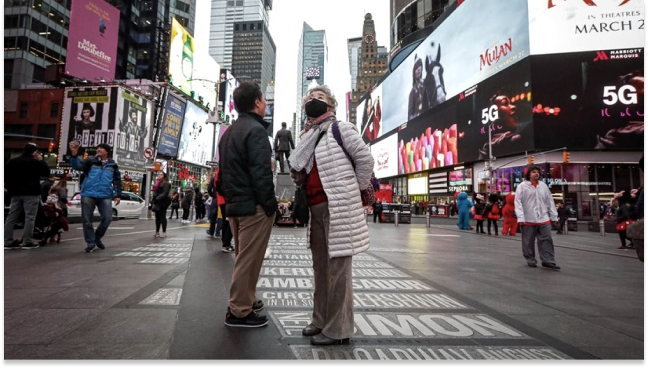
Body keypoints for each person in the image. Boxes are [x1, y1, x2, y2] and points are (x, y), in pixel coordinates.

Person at [289, 85, 374, 345]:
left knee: (339, 271)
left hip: (338, 207)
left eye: (320, 97)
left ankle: (338, 330)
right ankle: (319, 320)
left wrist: (352, 190)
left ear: (331, 106)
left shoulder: (340, 128)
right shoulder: (307, 137)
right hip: (315, 209)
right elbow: (299, 170)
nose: (313, 100)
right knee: (321, 269)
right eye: (310, 98)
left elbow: (366, 161)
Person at [216, 82, 277, 328]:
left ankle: (247, 299)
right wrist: (270, 205)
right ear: (257, 103)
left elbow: (222, 173)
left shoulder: (229, 132)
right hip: (254, 207)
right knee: (248, 260)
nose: (265, 103)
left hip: (235, 206)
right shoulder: (256, 131)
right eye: (263, 99)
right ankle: (238, 311)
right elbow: (261, 172)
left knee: (245, 257)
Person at [68, 142, 122, 253]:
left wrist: (117, 195)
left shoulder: (113, 165)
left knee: (107, 218)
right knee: (87, 220)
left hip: (105, 195)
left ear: (107, 151)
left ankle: (97, 238)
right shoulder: (90, 161)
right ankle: (90, 242)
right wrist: (74, 154)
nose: (98, 149)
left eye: (101, 148)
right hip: (88, 193)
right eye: (97, 148)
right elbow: (77, 166)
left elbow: (117, 181)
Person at [4, 143, 51, 249]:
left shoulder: (12, 162)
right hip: (31, 193)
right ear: (34, 152)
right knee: (30, 217)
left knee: (11, 217)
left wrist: (11, 189)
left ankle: (7, 241)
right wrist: (41, 160)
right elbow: (46, 172)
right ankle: (27, 241)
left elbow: (6, 178)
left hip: (16, 193)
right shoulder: (35, 162)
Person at [514, 165, 560, 270]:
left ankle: (548, 260)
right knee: (528, 241)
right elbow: (518, 202)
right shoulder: (522, 186)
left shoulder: (543, 186)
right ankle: (530, 258)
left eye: (538, 172)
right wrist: (520, 217)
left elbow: (550, 201)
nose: (536, 174)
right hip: (528, 219)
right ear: (529, 174)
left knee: (547, 239)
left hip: (544, 218)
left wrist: (554, 216)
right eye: (534, 172)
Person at [478, 91, 523, 160]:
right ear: (493, 114)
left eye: (510, 103)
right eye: (505, 103)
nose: (514, 106)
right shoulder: (515, 140)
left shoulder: (485, 149)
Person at [408, 55, 428, 121]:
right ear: (413, 72)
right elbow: (410, 116)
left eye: (420, 66)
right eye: (416, 68)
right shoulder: (412, 93)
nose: (419, 69)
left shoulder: (426, 83)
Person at [152, 171, 172, 238]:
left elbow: (165, 193)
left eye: (161, 174)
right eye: (159, 174)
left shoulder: (166, 184)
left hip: (163, 202)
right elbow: (155, 193)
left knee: (162, 216)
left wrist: (157, 198)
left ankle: (164, 231)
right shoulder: (157, 183)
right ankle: (157, 231)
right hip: (157, 201)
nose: (159, 175)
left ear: (164, 175)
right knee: (157, 217)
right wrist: (153, 201)